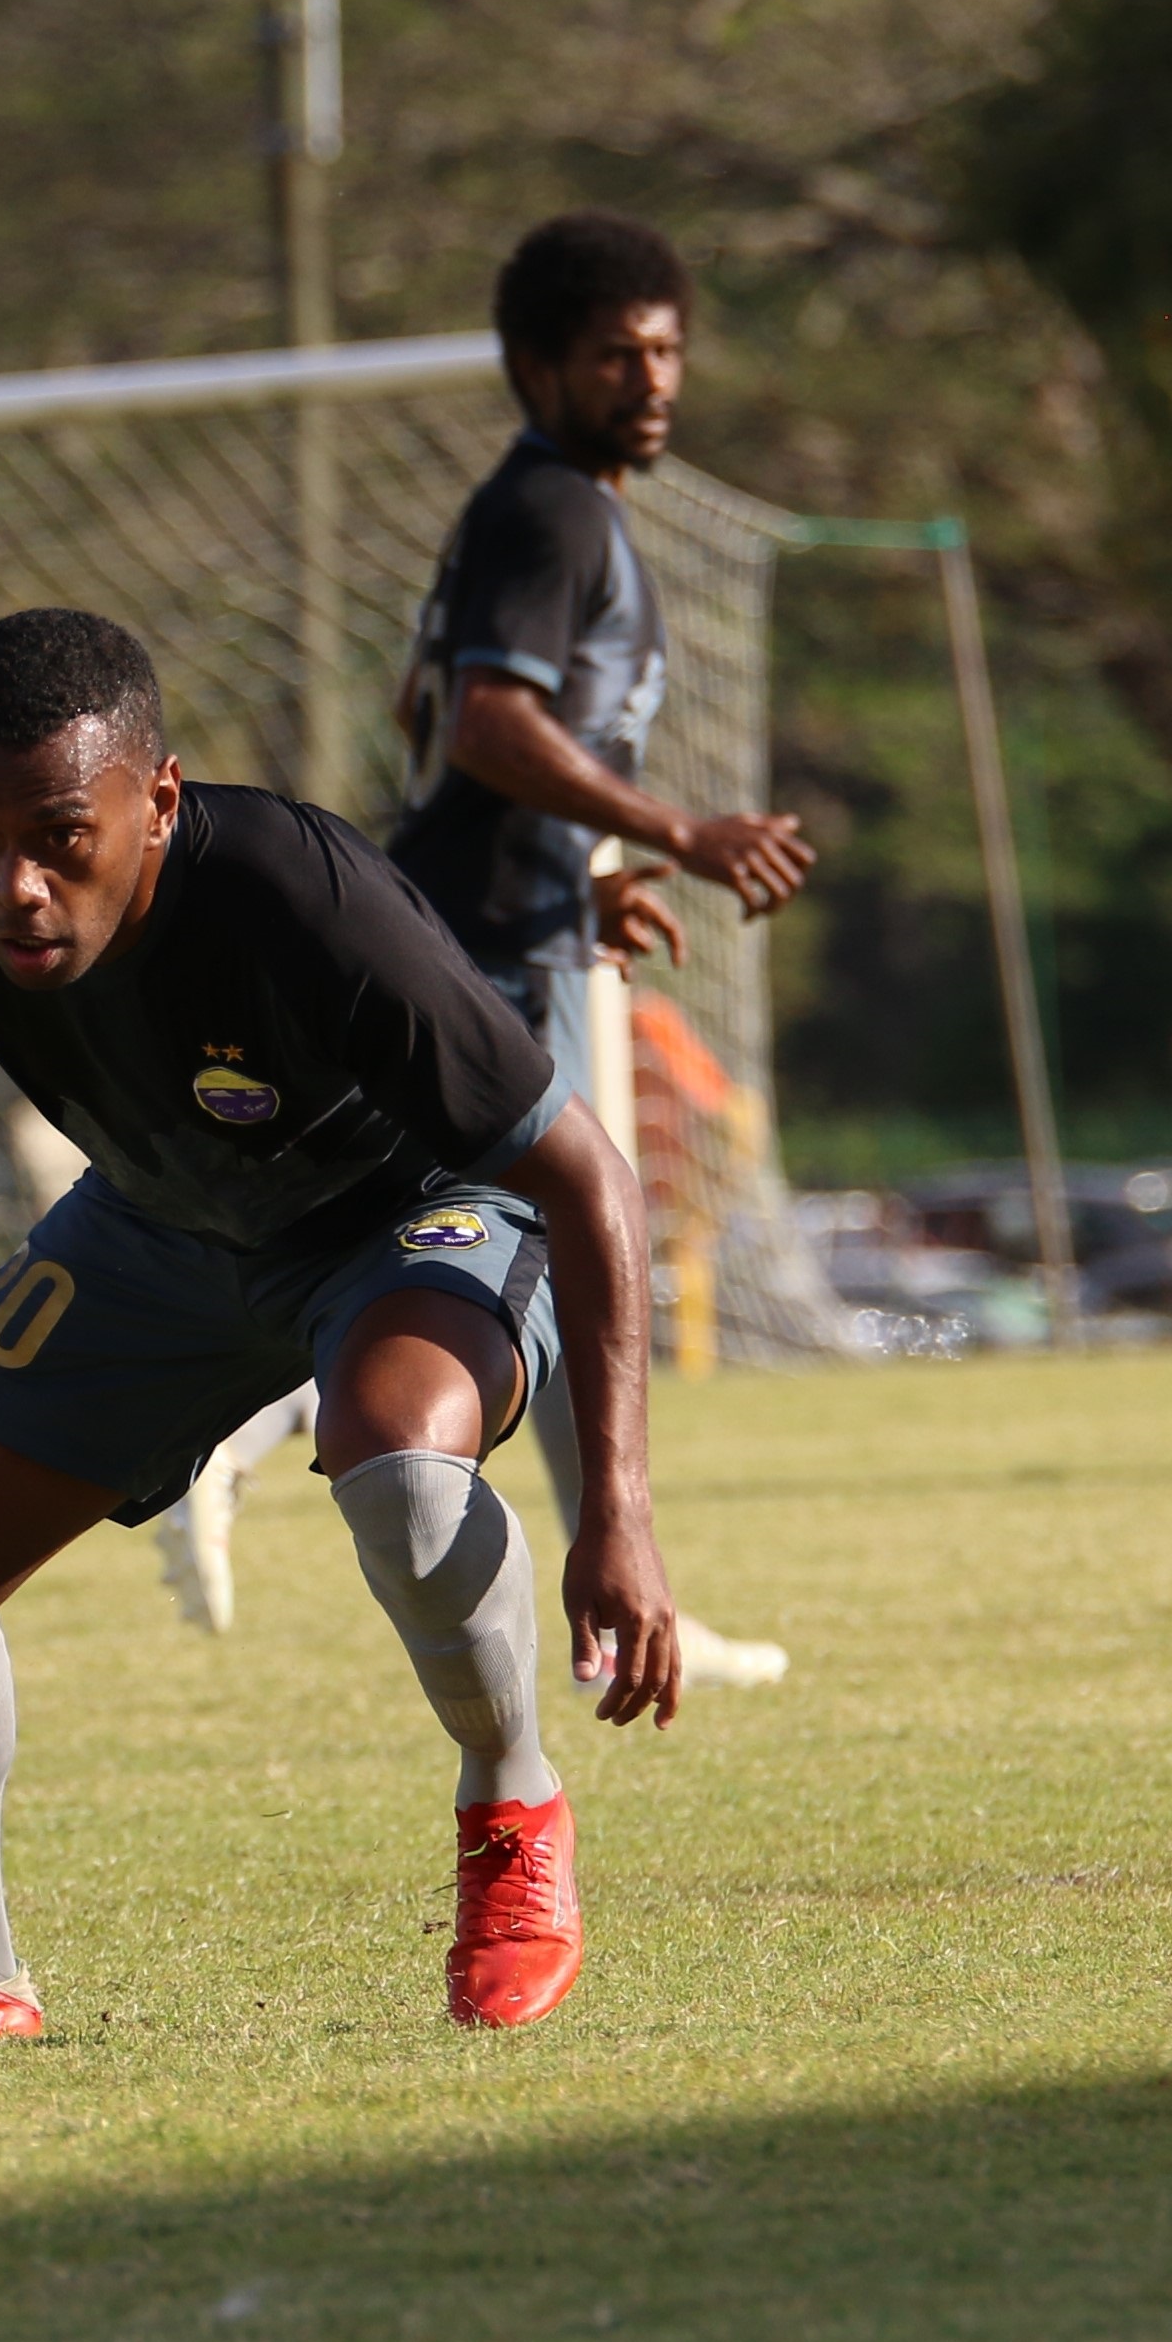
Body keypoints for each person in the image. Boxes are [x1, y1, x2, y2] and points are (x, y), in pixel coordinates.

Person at [0, 607, 680, 2035]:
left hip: (407, 1212)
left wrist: (616, 1512)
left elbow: (587, 1175)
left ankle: (513, 1813)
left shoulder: (299, 894)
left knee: (396, 1450)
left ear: (158, 798)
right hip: (160, 1230)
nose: (16, 886)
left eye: (61, 835)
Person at [384, 210, 814, 1554]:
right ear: (535, 365)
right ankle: (615, 1578)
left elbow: (444, 720)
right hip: (500, 951)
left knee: (559, 1255)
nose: (653, 381)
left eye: (666, 351)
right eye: (617, 355)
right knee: (570, 1249)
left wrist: (592, 868)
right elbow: (486, 725)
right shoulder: (552, 510)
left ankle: (610, 1575)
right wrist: (678, 834)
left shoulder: (555, 510)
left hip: (520, 925)